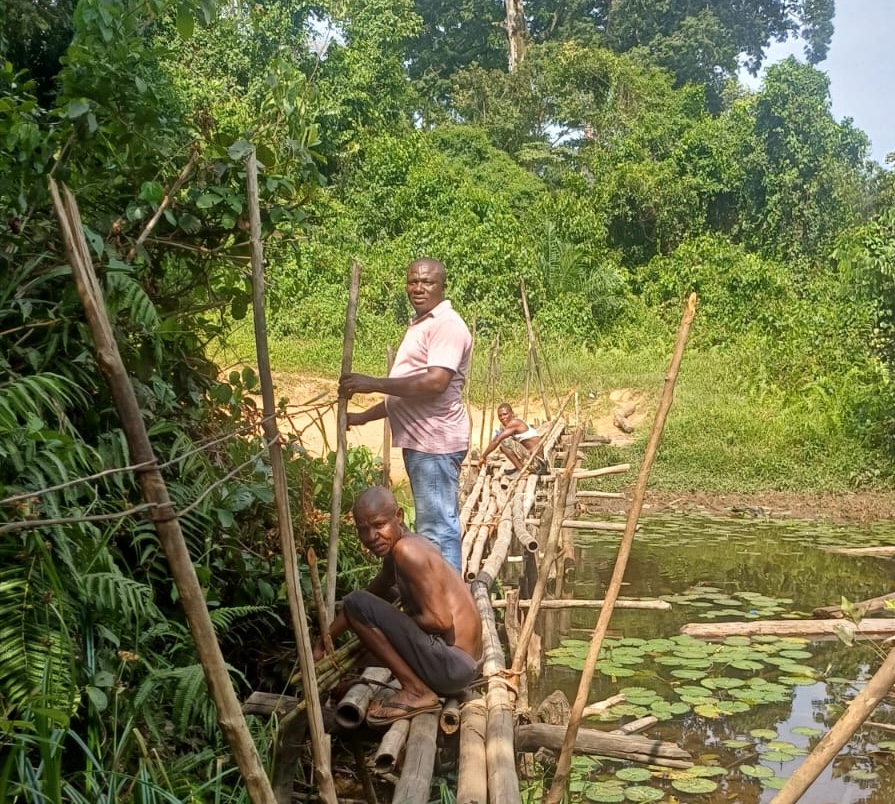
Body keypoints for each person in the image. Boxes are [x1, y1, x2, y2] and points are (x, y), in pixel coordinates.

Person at [339, 257, 471, 573]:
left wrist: (373, 383)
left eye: (427, 282)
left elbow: (435, 383)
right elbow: (405, 395)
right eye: (413, 281)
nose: (418, 288)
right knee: (432, 526)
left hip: (434, 442)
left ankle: (449, 609)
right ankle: (437, 601)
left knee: (438, 529)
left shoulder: (447, 325)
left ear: (442, 285)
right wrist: (362, 418)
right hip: (424, 443)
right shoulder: (423, 324)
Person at [313, 487, 483, 726]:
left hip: (453, 666)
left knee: (355, 601)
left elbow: (441, 621)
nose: (371, 536)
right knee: (369, 601)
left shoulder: (406, 551)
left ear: (399, 517)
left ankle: (416, 691)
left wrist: (393, 622)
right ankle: (412, 686)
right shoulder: (408, 544)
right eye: (363, 529)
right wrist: (325, 638)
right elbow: (378, 590)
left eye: (379, 525)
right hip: (466, 666)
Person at [477, 402, 548, 475]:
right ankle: (521, 468)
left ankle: (522, 471)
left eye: (505, 414)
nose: (502, 418)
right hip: (534, 462)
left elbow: (496, 441)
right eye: (500, 416)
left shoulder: (515, 423)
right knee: (504, 444)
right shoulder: (510, 426)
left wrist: (483, 457)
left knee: (504, 442)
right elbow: (495, 439)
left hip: (538, 465)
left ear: (512, 414)